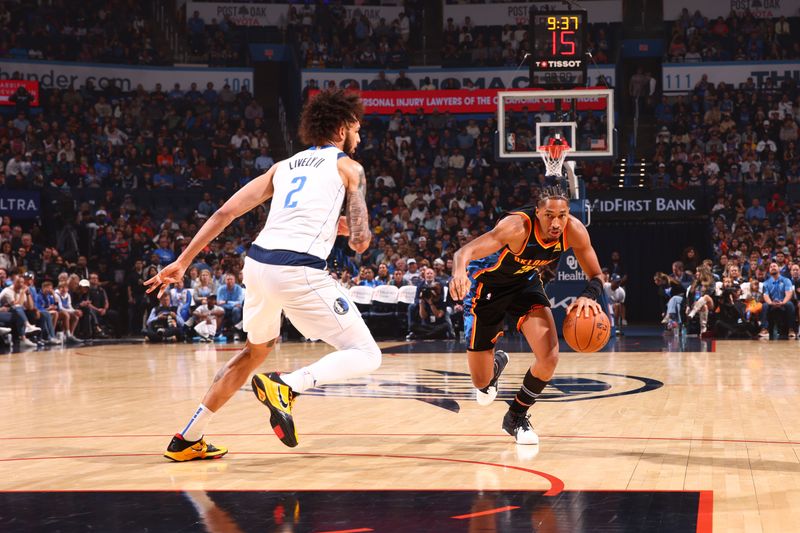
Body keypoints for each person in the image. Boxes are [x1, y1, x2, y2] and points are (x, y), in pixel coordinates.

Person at [146, 89, 382, 461]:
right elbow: (359, 244)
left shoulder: (282, 166)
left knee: (253, 351)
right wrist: (355, 230)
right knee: (367, 354)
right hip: (297, 269)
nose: (360, 136)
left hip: (257, 266)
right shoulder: (350, 167)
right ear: (340, 129)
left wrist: (183, 262)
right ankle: (286, 386)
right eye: (357, 128)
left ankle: (188, 437)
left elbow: (225, 212)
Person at [449, 185, 603, 445]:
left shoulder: (574, 230)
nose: (556, 223)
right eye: (549, 215)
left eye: (562, 215)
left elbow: (596, 275)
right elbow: (463, 253)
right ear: (537, 212)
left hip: (524, 284)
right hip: (486, 288)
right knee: (481, 383)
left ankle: (516, 416)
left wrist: (589, 295)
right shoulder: (516, 227)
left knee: (549, 357)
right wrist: (458, 273)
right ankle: (494, 367)